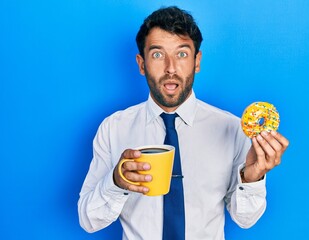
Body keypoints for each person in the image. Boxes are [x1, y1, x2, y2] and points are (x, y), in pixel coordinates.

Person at [78, 6, 289, 240]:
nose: (170, 68)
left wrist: (252, 178)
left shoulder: (232, 128)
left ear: (197, 61)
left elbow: (245, 219)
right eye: (157, 54)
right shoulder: (114, 129)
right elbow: (89, 221)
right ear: (141, 64)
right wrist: (116, 182)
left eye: (182, 54)